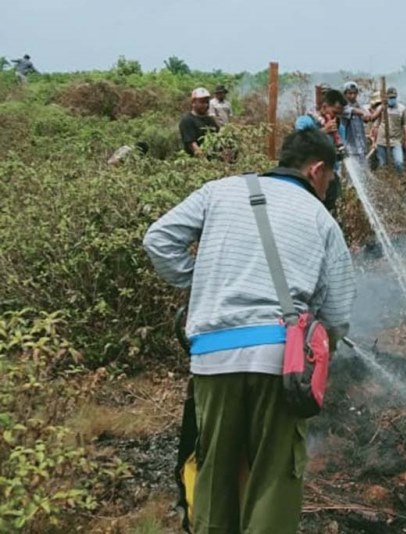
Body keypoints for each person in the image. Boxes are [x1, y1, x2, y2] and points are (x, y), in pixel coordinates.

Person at [142, 128, 356, 534]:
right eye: (330, 179)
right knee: (273, 481)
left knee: (214, 473)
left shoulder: (218, 191)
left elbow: (158, 240)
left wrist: (200, 283)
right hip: (280, 364)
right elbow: (339, 311)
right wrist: (322, 345)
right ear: (317, 170)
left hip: (212, 358)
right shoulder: (320, 217)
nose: (329, 188)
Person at [295, 89, 347, 214]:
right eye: (334, 113)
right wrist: (323, 131)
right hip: (309, 179)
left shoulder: (340, 127)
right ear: (324, 107)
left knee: (331, 211)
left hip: (329, 179)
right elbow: (299, 144)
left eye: (339, 115)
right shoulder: (305, 121)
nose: (336, 118)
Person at [371, 87, 406, 174]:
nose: (392, 100)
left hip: (396, 140)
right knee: (382, 164)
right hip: (381, 141)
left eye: (393, 98)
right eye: (390, 98)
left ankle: (400, 181)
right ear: (386, 98)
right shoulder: (381, 109)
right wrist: (374, 142)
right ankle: (385, 182)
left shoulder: (401, 109)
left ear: (396, 97)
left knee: (399, 163)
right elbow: (376, 126)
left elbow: (405, 125)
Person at [179, 87, 219, 157]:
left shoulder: (210, 120)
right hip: (195, 161)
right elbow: (192, 144)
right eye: (202, 102)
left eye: (207, 102)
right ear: (193, 103)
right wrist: (204, 160)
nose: (206, 105)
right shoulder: (187, 120)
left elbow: (218, 136)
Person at [339, 81, 371, 160]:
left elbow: (367, 118)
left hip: (361, 147)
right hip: (350, 149)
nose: (353, 96)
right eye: (350, 93)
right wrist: (363, 112)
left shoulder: (358, 105)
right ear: (345, 94)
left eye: (355, 93)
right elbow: (353, 110)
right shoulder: (342, 107)